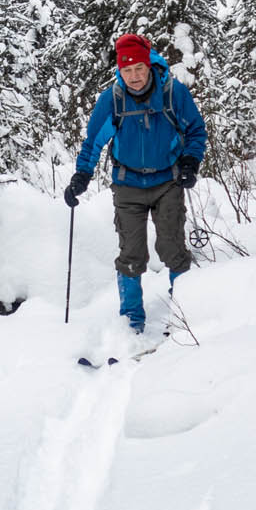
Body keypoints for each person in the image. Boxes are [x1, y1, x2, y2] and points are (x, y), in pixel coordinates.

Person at [63, 32, 208, 334]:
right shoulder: (112, 99)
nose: (134, 77)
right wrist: (81, 176)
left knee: (173, 248)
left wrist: (190, 162)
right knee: (131, 254)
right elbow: (93, 142)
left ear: (148, 65)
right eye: (126, 71)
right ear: (119, 71)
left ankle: (183, 312)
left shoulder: (172, 93)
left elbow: (196, 130)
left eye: (138, 69)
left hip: (168, 181)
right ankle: (131, 321)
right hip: (128, 185)